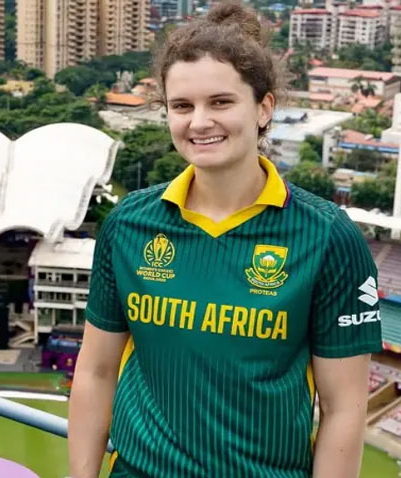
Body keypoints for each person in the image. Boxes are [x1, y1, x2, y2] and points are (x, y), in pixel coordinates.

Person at [68, 3, 381, 477]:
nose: (199, 122)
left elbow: (343, 410)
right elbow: (96, 372)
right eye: (182, 106)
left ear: (264, 108)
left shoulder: (327, 236)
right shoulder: (129, 223)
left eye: (220, 102)